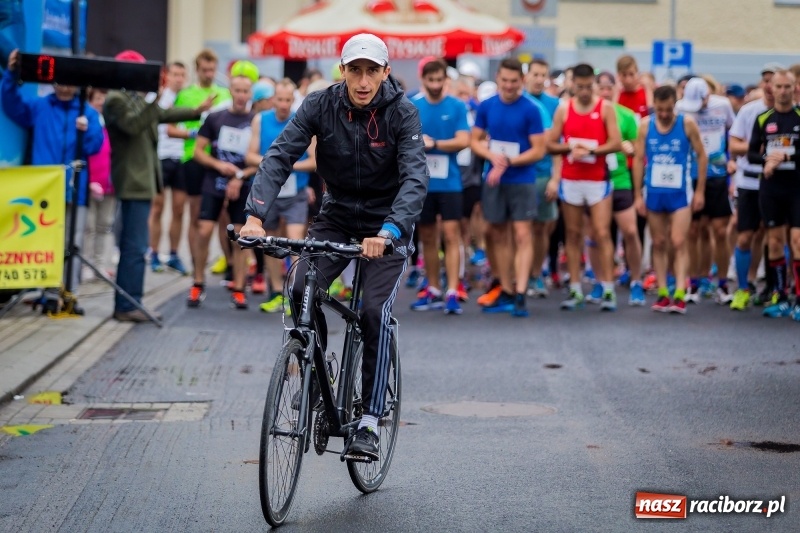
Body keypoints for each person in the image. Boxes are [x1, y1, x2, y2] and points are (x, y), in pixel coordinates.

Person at [240, 34, 428, 459]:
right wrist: (255, 216)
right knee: (299, 285)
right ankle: (312, 368)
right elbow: (279, 156)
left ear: (384, 72)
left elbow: (416, 178)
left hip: (387, 224)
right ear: (342, 71)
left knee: (372, 311)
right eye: (355, 70)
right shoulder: (319, 104)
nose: (363, 81)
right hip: (338, 215)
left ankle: (368, 422)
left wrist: (391, 231)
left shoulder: (403, 112)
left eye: (371, 71)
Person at [103, 50, 214, 322]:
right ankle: (128, 304)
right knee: (135, 246)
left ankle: (131, 301)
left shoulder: (133, 98)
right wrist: (156, 96)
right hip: (132, 181)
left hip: (141, 181)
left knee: (135, 246)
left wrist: (195, 111)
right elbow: (135, 124)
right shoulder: (117, 100)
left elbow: (164, 114)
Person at [1, 48, 104, 297]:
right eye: (59, 82)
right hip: (44, 191)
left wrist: (86, 131)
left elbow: (94, 145)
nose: (64, 88)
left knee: (73, 242)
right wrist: (11, 74)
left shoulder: (87, 113)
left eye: (69, 83)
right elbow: (12, 104)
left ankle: (67, 293)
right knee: (44, 242)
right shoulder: (40, 107)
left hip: (74, 190)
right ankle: (46, 292)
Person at [470, 58, 546, 318]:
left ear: (521, 81)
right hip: (495, 178)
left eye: (514, 81)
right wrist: (492, 157)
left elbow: (539, 149)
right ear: (498, 79)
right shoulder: (487, 106)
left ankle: (522, 292)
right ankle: (506, 288)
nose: (510, 85)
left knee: (523, 234)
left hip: (522, 179)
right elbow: (475, 141)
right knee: (497, 233)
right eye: (505, 80)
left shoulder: (531, 109)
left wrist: (511, 161)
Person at [548, 63, 622, 311]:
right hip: (571, 179)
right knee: (572, 233)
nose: (584, 91)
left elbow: (615, 143)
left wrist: (591, 149)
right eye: (579, 87)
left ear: (594, 84)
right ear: (572, 85)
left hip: (597, 179)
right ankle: (576, 288)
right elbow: (550, 145)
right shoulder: (563, 110)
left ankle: (608, 288)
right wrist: (570, 147)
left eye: (588, 86)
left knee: (601, 232)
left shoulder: (605, 108)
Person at [633, 85, 706, 314]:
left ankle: (680, 292)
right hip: (654, 192)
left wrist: (700, 190)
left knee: (678, 241)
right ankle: (663, 292)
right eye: (660, 109)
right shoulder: (646, 125)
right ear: (654, 104)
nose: (664, 114)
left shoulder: (686, 124)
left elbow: (701, 156)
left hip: (680, 194)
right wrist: (637, 195)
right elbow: (637, 159)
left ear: (675, 104)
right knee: (659, 242)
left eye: (668, 109)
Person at [245, 79, 316, 313]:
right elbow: (250, 156)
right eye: (280, 99)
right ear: (273, 99)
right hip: (269, 191)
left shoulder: (302, 119)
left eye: (288, 100)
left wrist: (289, 166)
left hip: (295, 191)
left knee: (296, 242)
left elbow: (314, 161)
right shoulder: (261, 119)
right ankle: (276, 291)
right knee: (270, 242)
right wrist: (275, 166)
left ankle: (295, 295)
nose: (284, 104)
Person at [188, 74, 257, 310]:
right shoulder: (216, 117)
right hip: (214, 181)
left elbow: (263, 159)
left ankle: (239, 288)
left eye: (245, 91)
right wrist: (219, 166)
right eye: (237, 91)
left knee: (240, 237)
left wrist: (240, 175)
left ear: (250, 94)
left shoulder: (255, 120)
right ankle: (198, 281)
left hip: (244, 184)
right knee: (204, 230)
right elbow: (198, 151)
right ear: (231, 92)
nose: (241, 96)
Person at [410, 58, 470, 314]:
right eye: (430, 80)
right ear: (423, 80)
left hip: (450, 183)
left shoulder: (456, 106)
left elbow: (464, 140)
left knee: (451, 235)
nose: (435, 85)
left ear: (446, 80)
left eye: (439, 80)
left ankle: (453, 290)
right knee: (427, 237)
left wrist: (434, 144)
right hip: (422, 183)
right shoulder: (413, 105)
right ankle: (433, 288)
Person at [676, 77, 735, 304]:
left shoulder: (723, 105)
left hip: (718, 176)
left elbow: (734, 132)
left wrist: (731, 160)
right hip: (690, 176)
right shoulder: (680, 108)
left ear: (707, 97)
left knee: (720, 232)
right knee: (693, 231)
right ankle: (694, 283)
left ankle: (721, 283)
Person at [747, 69, 800, 321]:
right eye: (778, 87)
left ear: (794, 88)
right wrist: (768, 159)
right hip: (771, 189)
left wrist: (787, 156)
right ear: (772, 89)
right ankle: (780, 295)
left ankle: (799, 298)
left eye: (786, 87)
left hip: (796, 188)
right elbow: (751, 154)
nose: (782, 91)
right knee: (775, 241)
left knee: (798, 241)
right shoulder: (763, 118)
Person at [728, 67, 774, 310]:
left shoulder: (789, 113)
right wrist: (758, 148)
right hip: (748, 181)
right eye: (765, 81)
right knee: (745, 235)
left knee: (771, 235)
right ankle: (743, 287)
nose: (769, 86)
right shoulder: (749, 111)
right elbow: (734, 146)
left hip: (776, 181)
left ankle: (763, 283)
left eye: (773, 82)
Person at [150, 61, 189, 274]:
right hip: (161, 157)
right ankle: (154, 253)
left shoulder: (188, 98)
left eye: (182, 75)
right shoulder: (157, 97)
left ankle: (173, 254)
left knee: (179, 209)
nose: (179, 79)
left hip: (181, 157)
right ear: (168, 75)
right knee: (157, 207)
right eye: (175, 74)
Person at [83, 88, 116, 281]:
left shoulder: (113, 124)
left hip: (109, 184)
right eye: (97, 99)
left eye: (105, 98)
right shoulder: (86, 122)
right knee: (89, 227)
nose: (101, 102)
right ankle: (86, 264)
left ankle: (99, 264)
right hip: (90, 182)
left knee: (105, 225)